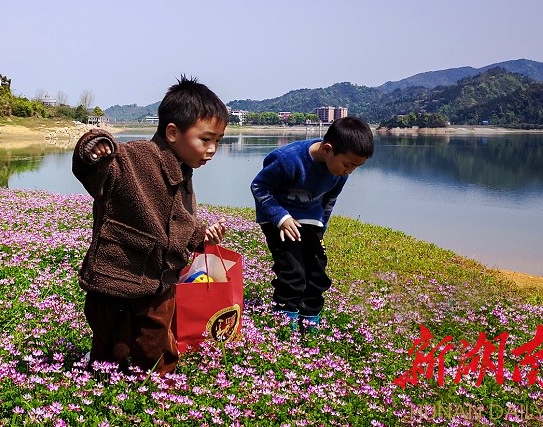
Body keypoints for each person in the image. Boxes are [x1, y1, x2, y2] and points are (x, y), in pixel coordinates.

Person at [72, 76, 228, 375]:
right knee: (108, 343)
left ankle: (160, 390)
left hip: (158, 282)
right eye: (206, 139)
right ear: (172, 132)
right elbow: (97, 172)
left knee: (156, 346)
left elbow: (180, 222)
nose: (212, 150)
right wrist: (96, 148)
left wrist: (201, 234)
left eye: (217, 142)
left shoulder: (184, 172)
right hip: (115, 275)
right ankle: (107, 382)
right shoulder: (135, 157)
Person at [250, 116, 374, 332]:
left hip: (311, 218)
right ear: (327, 149)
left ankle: (309, 320)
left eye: (356, 167)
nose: (350, 171)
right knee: (292, 271)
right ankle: (284, 323)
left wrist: (320, 230)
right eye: (347, 164)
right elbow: (259, 187)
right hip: (280, 219)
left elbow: (329, 202)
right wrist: (280, 217)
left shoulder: (339, 172)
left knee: (317, 272)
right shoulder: (288, 160)